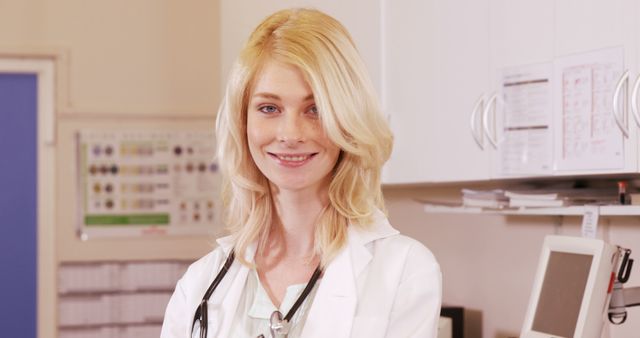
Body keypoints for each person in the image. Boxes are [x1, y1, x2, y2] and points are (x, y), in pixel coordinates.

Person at [161, 8, 441, 338]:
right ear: (244, 121)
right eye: (269, 108)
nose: (290, 134)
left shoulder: (404, 271)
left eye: (315, 109)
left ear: (346, 119)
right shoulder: (200, 285)